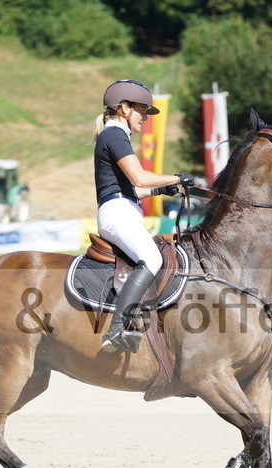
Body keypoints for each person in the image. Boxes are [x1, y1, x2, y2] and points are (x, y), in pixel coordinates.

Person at [93, 79, 193, 353]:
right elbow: (138, 176)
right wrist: (178, 176)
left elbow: (132, 189)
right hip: (117, 213)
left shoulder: (115, 135)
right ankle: (116, 330)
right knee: (152, 257)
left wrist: (163, 189)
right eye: (143, 110)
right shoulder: (114, 135)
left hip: (123, 208)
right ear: (124, 108)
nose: (146, 117)